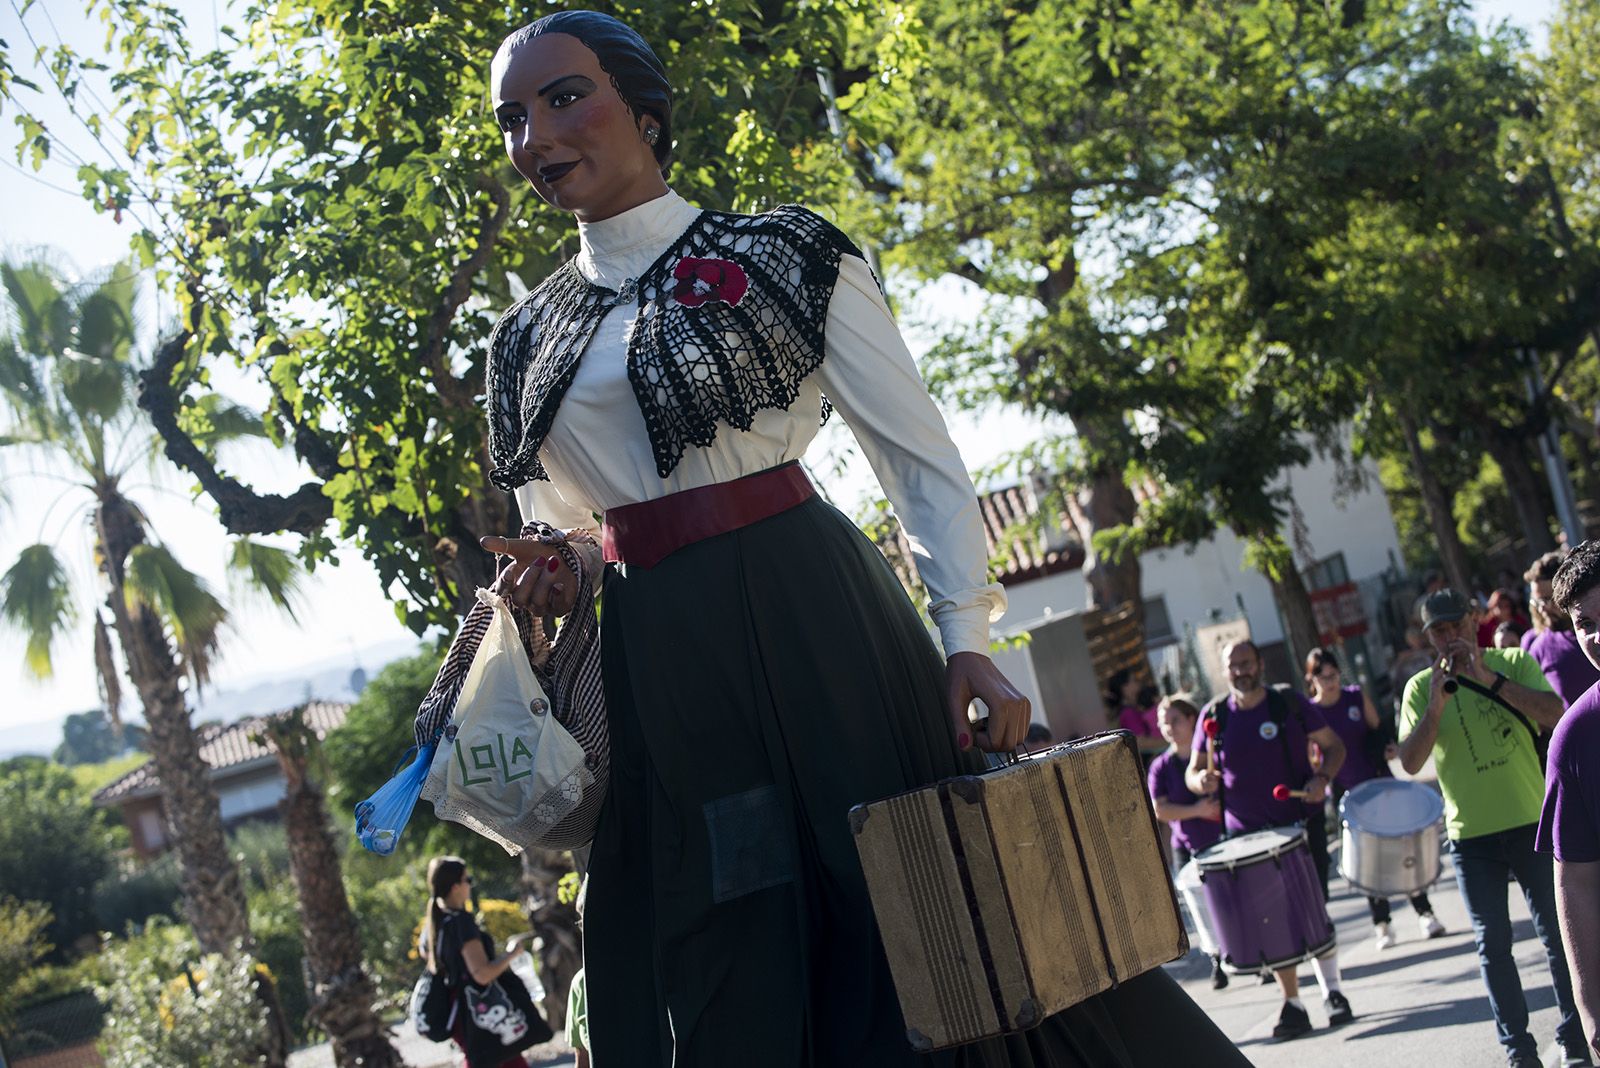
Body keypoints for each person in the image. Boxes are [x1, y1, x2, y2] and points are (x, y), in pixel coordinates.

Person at [414, 12, 1252, 1067]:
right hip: (659, 662)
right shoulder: (524, 338)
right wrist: (561, 568)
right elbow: (569, 524)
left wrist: (966, 636)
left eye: (564, 97)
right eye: (511, 119)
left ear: (644, 108)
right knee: (723, 940)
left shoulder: (788, 254)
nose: (534, 136)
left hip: (818, 618)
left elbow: (917, 456)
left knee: (923, 917)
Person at [1398, 588, 1587, 1068]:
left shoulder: (1514, 661)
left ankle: (1574, 1037)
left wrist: (1487, 678)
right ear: (1428, 637)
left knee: (1557, 936)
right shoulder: (1420, 687)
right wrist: (1436, 706)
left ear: (1474, 621)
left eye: (1457, 626)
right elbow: (1411, 761)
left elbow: (1555, 714)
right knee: (1493, 946)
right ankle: (1519, 1052)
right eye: (1439, 631)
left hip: (1531, 821)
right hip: (1470, 836)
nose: (1450, 637)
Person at [1187, 640, 1354, 1040]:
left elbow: (1334, 748)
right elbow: (1194, 771)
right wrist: (1200, 780)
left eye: (1246, 663)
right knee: (1272, 922)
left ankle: (1333, 993)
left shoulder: (1288, 703)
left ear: (1259, 664)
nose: (1240, 671)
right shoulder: (1214, 715)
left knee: (1314, 910)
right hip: (1245, 840)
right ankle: (1292, 1003)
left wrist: (1322, 778)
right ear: (1224, 670)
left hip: (1298, 826)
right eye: (1233, 665)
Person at [1304, 647, 1446, 949]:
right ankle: (1382, 923)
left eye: (1334, 675)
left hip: (1380, 783)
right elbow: (1312, 756)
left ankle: (1425, 913)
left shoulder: (1355, 697)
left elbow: (1378, 729)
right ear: (1312, 679)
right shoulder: (1311, 713)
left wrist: (1388, 747)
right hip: (1349, 795)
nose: (1331, 682)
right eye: (1324, 677)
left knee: (1403, 845)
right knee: (1368, 858)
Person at [1543, 543, 1600, 1061]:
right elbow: (1576, 880)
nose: (1598, 635)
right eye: (1586, 624)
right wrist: (1590, 1006)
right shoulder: (1574, 737)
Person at [420, 857, 551, 1068]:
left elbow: (432, 959)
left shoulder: (436, 924)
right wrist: (512, 954)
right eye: (467, 879)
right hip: (483, 1013)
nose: (470, 885)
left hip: (461, 1013)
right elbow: (481, 974)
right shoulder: (461, 922)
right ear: (455, 887)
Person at [1147, 695, 1225, 988]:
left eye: (1175, 720)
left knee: (1233, 899)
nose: (1169, 728)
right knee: (1199, 904)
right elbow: (1160, 810)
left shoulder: (1212, 753)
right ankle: (1216, 956)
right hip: (1187, 845)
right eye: (1163, 723)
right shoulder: (1161, 766)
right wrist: (1198, 810)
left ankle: (1250, 952)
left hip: (1222, 839)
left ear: (1192, 719)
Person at [1524, 551, 1600, 710]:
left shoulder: (1593, 637)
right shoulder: (1538, 650)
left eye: (1548, 599)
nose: (1542, 608)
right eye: (1537, 601)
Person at [1106, 667, 1163, 757]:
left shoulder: (1129, 710)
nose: (1139, 683)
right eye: (1134, 680)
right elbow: (1142, 742)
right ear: (1124, 688)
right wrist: (1170, 742)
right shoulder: (1129, 713)